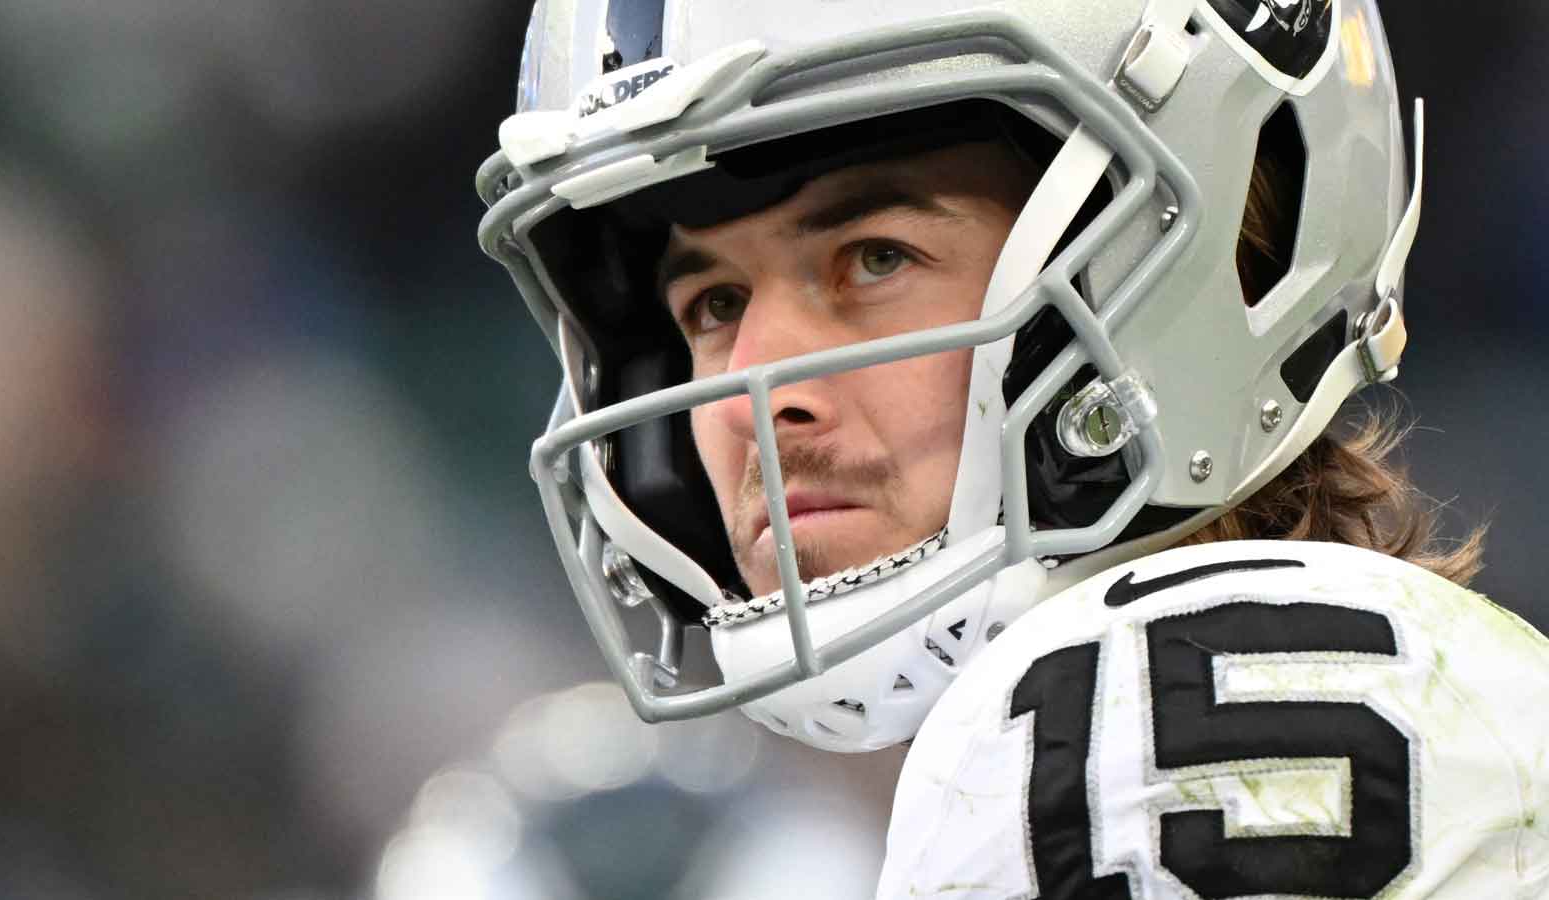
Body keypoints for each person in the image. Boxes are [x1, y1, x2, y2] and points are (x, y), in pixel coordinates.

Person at [478, 0, 1549, 896]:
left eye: (874, 258)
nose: (755, 395)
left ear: (1210, 249)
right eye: (714, 303)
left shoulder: (1120, 722)